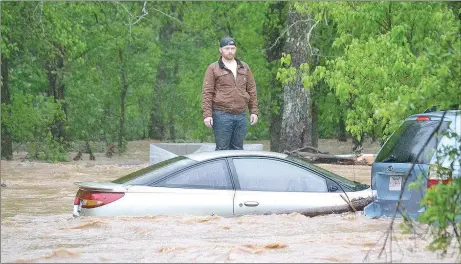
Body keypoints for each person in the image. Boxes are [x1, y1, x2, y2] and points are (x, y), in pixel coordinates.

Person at [202, 37, 259, 150]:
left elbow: (251, 90)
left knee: (238, 150)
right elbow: (207, 92)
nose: (230, 51)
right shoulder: (213, 68)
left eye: (232, 48)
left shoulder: (244, 67)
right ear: (220, 50)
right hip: (221, 115)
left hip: (241, 115)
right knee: (222, 149)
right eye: (227, 48)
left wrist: (254, 111)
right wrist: (207, 115)